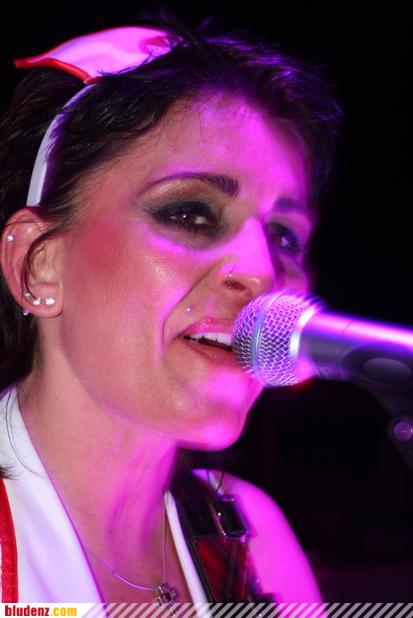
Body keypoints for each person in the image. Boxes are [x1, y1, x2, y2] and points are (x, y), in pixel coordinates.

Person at [0, 12, 339, 605]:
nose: (262, 272)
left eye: (284, 236)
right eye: (190, 213)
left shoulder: (253, 538)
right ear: (39, 265)